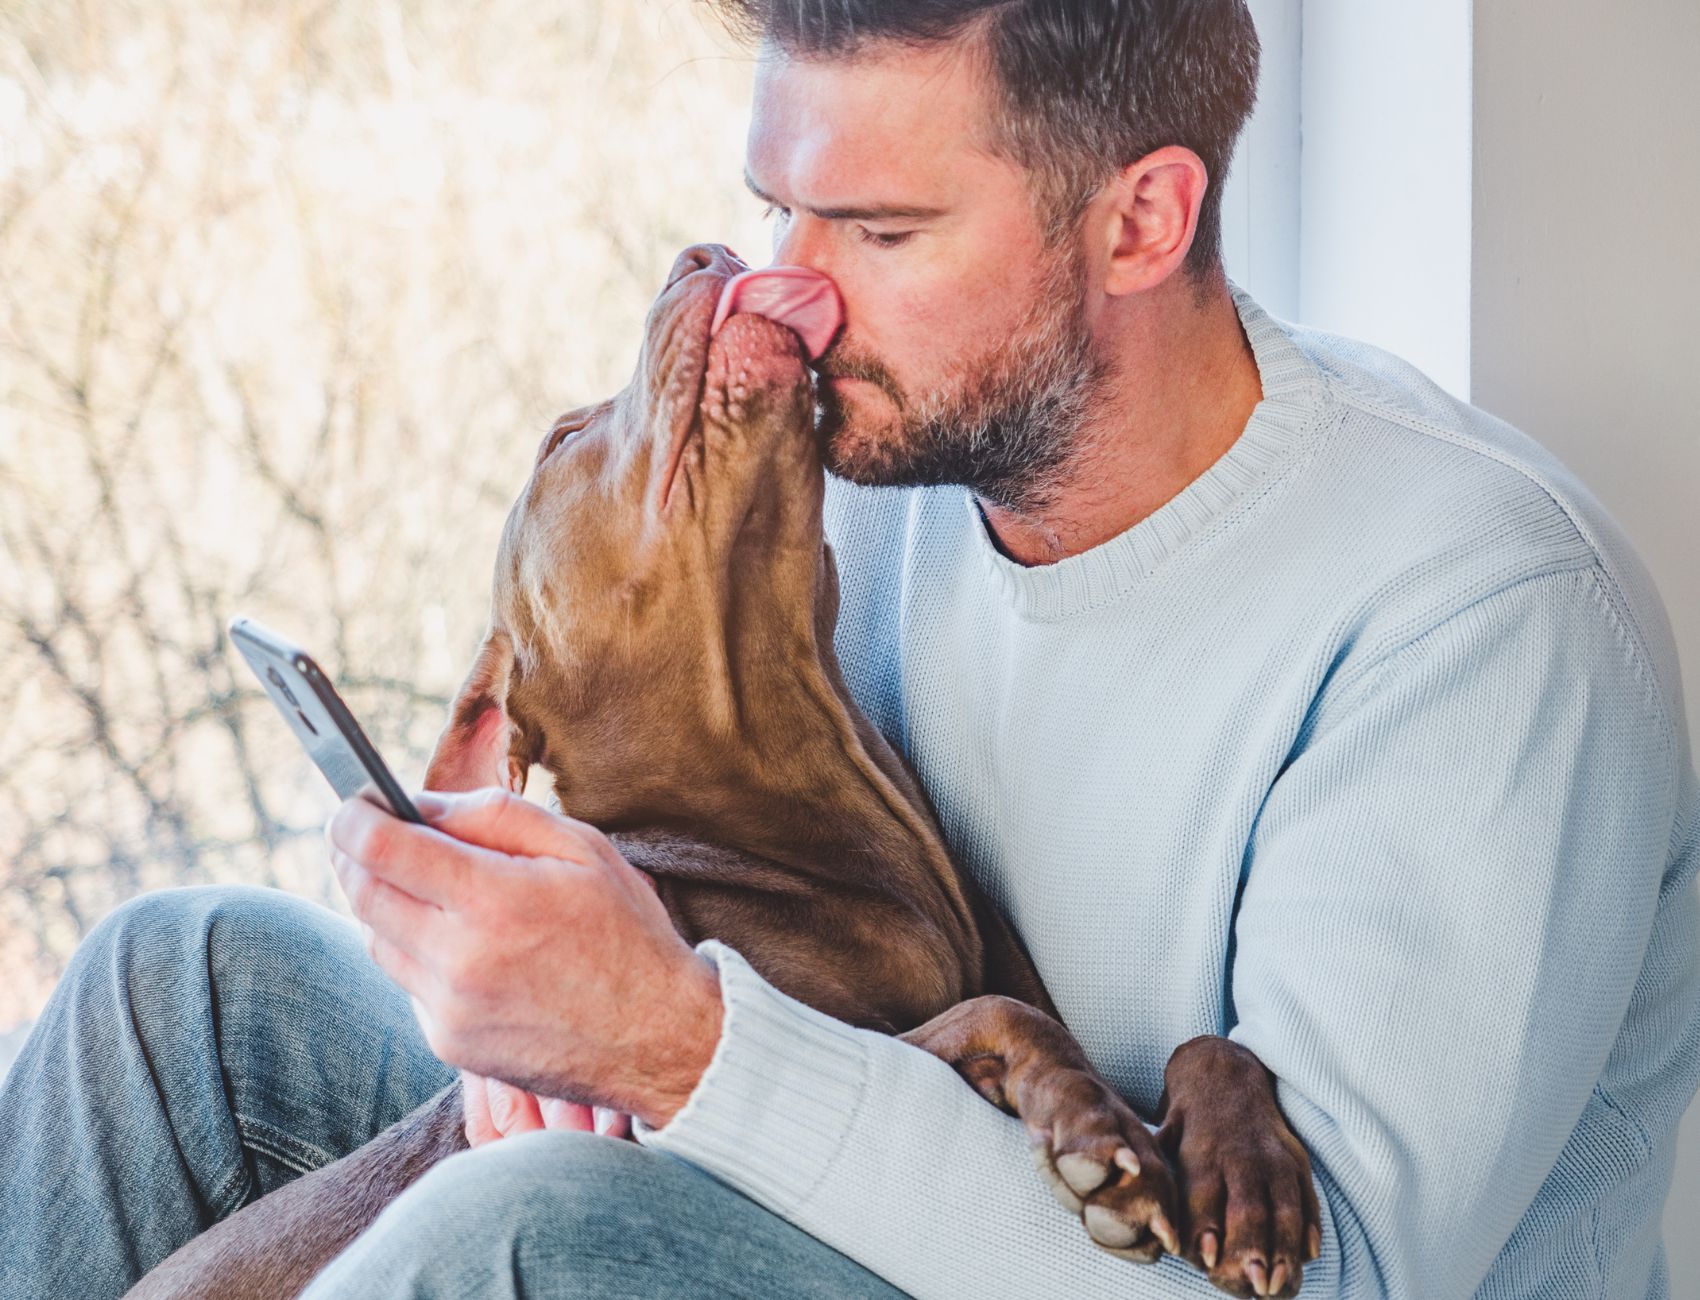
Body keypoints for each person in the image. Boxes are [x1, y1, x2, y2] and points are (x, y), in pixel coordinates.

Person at [3, 1, 1696, 1296]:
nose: (791, 288)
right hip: (894, 1164)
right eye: (779, 209)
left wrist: (678, 1046)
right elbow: (744, 877)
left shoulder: (1475, 621)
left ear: (1139, 223)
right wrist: (523, 1014)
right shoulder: (887, 462)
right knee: (184, 990)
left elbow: (1321, 1288)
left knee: (528, 1234)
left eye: (879, 234)